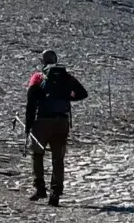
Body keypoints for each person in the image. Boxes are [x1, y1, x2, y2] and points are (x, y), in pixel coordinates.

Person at [25, 48, 88, 204]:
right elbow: (83, 93)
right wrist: (66, 97)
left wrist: (29, 125)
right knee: (58, 158)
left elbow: (31, 102)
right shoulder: (67, 77)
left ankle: (40, 188)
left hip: (42, 122)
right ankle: (55, 193)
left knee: (37, 154)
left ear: (42, 62)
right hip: (62, 121)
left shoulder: (38, 77)